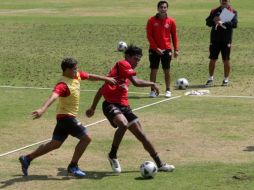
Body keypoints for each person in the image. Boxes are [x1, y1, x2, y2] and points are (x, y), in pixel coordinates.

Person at [19, 57, 116, 177]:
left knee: (55, 144)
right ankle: (73, 166)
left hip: (63, 117)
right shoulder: (63, 84)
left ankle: (27, 158)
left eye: (77, 68)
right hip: (66, 117)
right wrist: (42, 109)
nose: (77, 70)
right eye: (74, 69)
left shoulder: (76, 75)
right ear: (66, 70)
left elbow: (90, 76)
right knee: (86, 138)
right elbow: (53, 96)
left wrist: (106, 79)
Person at [86, 45, 175, 173]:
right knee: (123, 124)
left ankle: (160, 164)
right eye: (135, 59)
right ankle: (112, 155)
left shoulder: (122, 74)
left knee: (142, 136)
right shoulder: (123, 64)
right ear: (127, 56)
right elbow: (136, 82)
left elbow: (101, 89)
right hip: (110, 104)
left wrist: (92, 108)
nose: (137, 62)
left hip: (124, 107)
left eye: (139, 60)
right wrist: (152, 83)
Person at [146, 0, 179, 98]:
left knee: (167, 70)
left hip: (167, 49)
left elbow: (174, 35)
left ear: (167, 8)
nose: (163, 9)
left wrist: (176, 49)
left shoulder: (171, 21)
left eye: (165, 7)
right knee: (153, 70)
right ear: (158, 8)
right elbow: (149, 36)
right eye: (161, 7)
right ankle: (152, 90)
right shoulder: (151, 20)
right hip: (153, 49)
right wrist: (156, 48)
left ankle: (168, 90)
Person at [205, 0, 238, 87]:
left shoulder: (232, 11)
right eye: (222, 0)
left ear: (228, 2)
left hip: (226, 40)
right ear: (220, 1)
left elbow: (234, 24)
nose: (224, 2)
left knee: (226, 60)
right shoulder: (214, 11)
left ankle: (226, 79)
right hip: (215, 39)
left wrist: (223, 23)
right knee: (212, 59)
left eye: (226, 0)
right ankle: (210, 78)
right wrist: (214, 21)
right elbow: (208, 22)